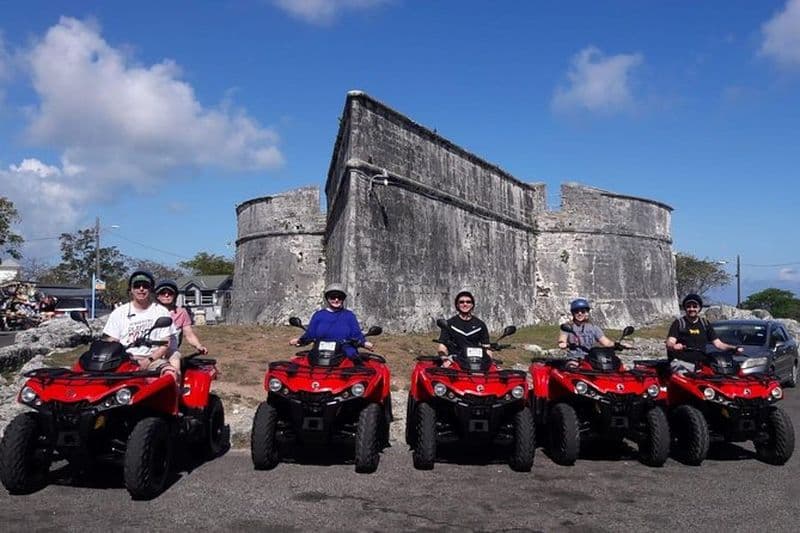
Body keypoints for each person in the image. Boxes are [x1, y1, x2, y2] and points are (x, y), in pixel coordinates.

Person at [102, 270, 179, 378]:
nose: (141, 289)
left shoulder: (162, 312)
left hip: (153, 360)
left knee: (170, 374)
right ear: (131, 290)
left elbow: (165, 344)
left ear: (151, 289)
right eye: (137, 286)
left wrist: (148, 360)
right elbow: (111, 340)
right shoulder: (118, 313)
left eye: (145, 286)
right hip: (124, 361)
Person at [289, 283, 373, 358]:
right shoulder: (319, 315)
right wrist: (300, 341)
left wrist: (364, 343)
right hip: (320, 352)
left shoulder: (349, 316)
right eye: (333, 297)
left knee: (357, 366)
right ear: (327, 298)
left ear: (343, 299)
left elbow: (356, 334)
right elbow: (310, 334)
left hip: (344, 351)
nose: (336, 300)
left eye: (339, 297)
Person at [665, 293, 741, 372]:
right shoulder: (679, 323)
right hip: (681, 363)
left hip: (700, 364)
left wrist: (734, 348)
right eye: (688, 307)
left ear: (699, 308)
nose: (692, 309)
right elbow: (669, 342)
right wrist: (674, 346)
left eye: (695, 306)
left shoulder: (705, 323)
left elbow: (718, 344)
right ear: (685, 308)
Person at [154, 279, 208, 356]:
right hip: (152, 352)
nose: (166, 295)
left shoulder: (181, 312)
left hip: (171, 352)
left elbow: (189, 334)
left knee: (175, 360)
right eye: (163, 293)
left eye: (170, 293)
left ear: (175, 296)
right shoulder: (151, 311)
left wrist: (199, 346)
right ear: (157, 296)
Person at [437, 290, 491, 366]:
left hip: (476, 361)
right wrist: (445, 359)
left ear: (472, 305)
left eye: (468, 302)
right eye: (461, 302)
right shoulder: (449, 323)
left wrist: (489, 362)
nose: (465, 304)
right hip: (454, 361)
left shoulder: (480, 325)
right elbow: (442, 346)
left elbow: (487, 348)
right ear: (457, 305)